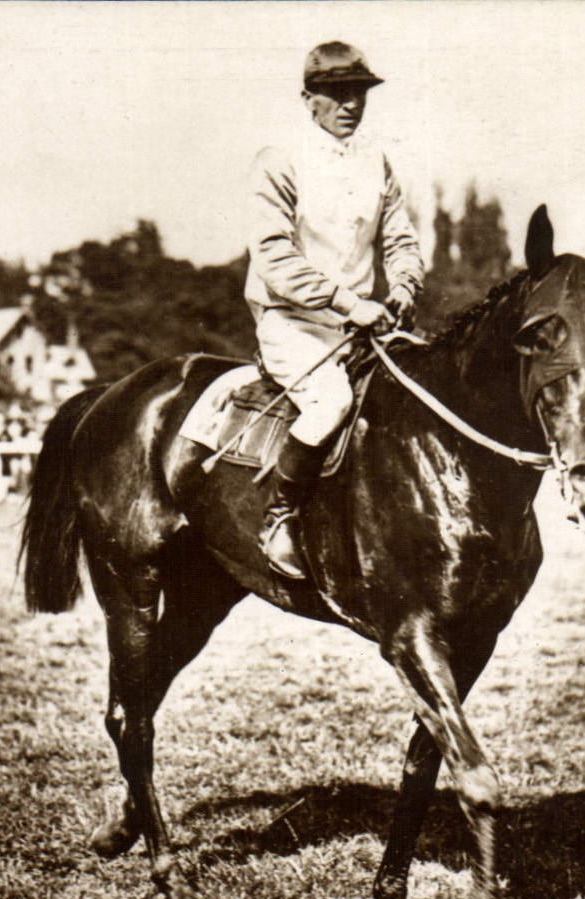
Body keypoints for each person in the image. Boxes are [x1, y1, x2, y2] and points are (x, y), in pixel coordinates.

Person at [244, 40, 426, 579]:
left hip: (364, 326)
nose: (351, 103)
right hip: (293, 322)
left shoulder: (377, 162)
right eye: (337, 92)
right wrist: (348, 302)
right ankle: (278, 516)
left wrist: (404, 286)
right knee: (331, 402)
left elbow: (401, 239)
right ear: (309, 99)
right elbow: (274, 256)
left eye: (359, 92)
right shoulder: (279, 160)